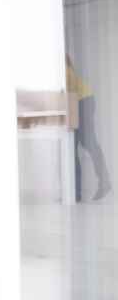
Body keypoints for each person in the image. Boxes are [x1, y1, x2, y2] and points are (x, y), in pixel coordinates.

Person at [66, 56, 111, 201]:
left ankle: (103, 183)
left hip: (82, 101)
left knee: (87, 142)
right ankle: (75, 192)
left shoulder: (62, 71)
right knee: (72, 146)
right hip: (78, 101)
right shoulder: (67, 72)